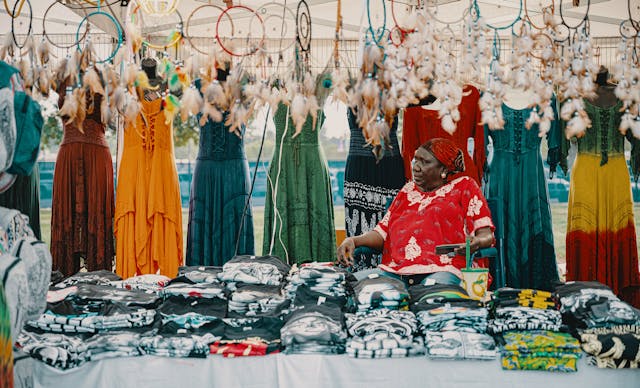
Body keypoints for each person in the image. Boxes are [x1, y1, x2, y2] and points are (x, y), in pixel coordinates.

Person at [337, 138, 495, 287]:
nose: (416, 167)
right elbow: (382, 233)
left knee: (431, 295)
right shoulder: (407, 190)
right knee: (346, 285)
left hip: (444, 269)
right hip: (395, 272)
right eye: (416, 160)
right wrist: (354, 240)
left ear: (444, 169)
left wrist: (477, 242)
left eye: (424, 162)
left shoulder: (464, 186)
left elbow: (486, 235)